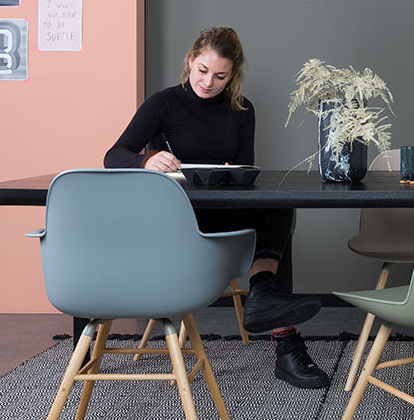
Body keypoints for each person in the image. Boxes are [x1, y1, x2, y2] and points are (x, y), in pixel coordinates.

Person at [104, 26, 329, 388]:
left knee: (279, 204)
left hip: (222, 209)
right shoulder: (163, 103)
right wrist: (147, 160)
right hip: (176, 216)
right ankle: (281, 334)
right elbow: (113, 156)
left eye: (220, 76)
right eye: (202, 71)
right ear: (190, 61)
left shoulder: (242, 110)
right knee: (274, 232)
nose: (208, 82)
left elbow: (246, 169)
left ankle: (264, 297)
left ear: (233, 75)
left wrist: (230, 174)